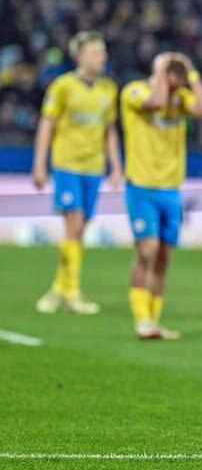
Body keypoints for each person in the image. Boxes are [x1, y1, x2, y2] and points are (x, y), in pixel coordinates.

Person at [120, 52, 202, 340]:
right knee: (146, 252)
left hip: (171, 189)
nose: (178, 78)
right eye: (173, 72)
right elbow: (156, 102)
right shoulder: (135, 91)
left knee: (163, 257)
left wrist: (192, 72)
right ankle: (141, 319)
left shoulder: (181, 98)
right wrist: (162, 71)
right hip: (142, 186)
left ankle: (154, 321)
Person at [31, 31, 123, 315]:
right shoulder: (63, 87)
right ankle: (72, 292)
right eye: (97, 52)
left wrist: (117, 166)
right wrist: (39, 164)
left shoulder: (108, 89)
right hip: (67, 164)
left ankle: (59, 288)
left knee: (79, 230)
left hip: (93, 167)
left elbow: (110, 131)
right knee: (74, 223)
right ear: (80, 56)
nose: (102, 57)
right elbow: (47, 124)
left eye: (103, 52)